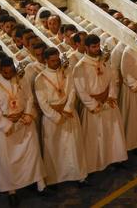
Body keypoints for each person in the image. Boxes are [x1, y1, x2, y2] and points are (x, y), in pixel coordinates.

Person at [0, 55, 44, 205]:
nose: (8, 75)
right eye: (5, 72)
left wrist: (27, 114)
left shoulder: (21, 80)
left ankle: (39, 184)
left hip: (24, 122)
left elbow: (30, 98)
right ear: (0, 70)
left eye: (11, 72)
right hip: (7, 127)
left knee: (33, 154)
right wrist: (6, 125)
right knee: (8, 161)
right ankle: (12, 191)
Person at [72, 35, 127, 174]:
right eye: (94, 47)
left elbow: (112, 80)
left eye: (98, 46)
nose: (97, 49)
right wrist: (93, 104)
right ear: (87, 47)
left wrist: (110, 96)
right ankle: (96, 164)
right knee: (96, 137)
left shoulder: (104, 62)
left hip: (107, 104)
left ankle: (114, 159)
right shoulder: (81, 66)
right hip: (94, 107)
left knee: (111, 134)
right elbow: (80, 90)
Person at [32, 47, 86, 187]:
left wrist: (68, 108)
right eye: (53, 61)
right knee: (55, 149)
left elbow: (72, 91)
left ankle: (79, 175)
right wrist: (56, 116)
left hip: (69, 114)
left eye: (58, 60)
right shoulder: (40, 79)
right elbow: (42, 103)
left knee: (74, 145)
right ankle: (55, 178)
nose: (57, 63)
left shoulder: (66, 72)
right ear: (46, 61)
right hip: (52, 119)